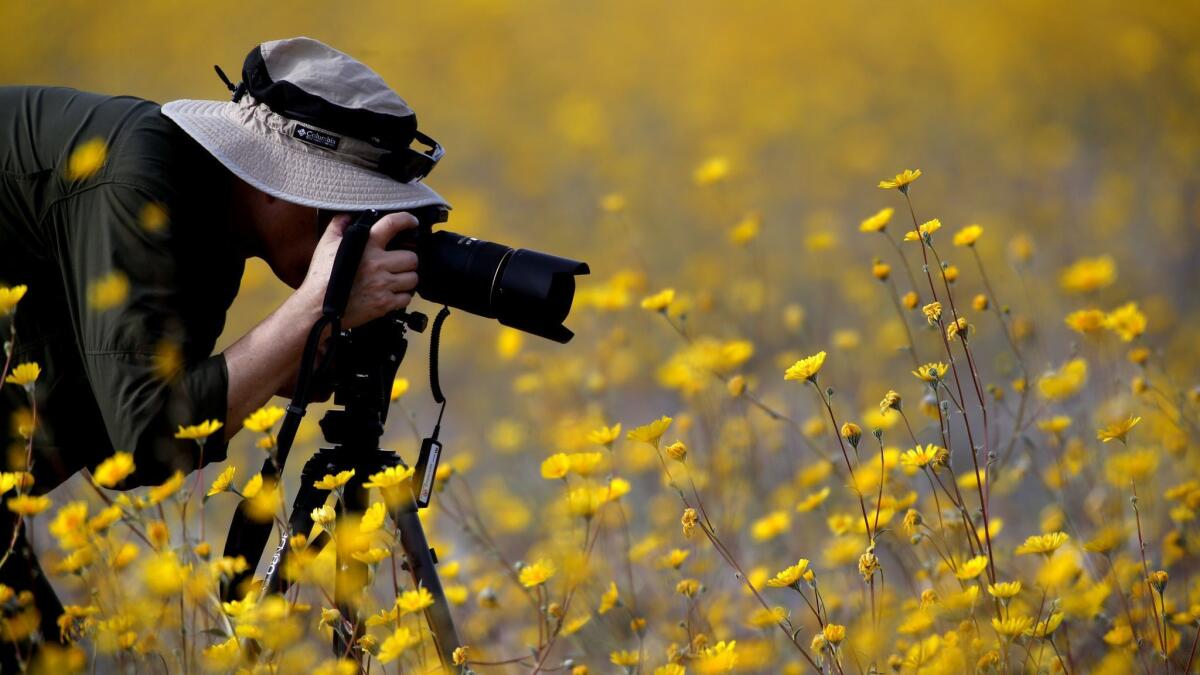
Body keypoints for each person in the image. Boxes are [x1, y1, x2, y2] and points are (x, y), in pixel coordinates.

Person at [0, 37, 447, 657]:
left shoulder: (206, 221)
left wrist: (303, 354)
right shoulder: (138, 185)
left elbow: (135, 426)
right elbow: (149, 436)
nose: (356, 235)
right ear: (275, 183)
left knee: (38, 655)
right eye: (344, 213)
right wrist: (315, 306)